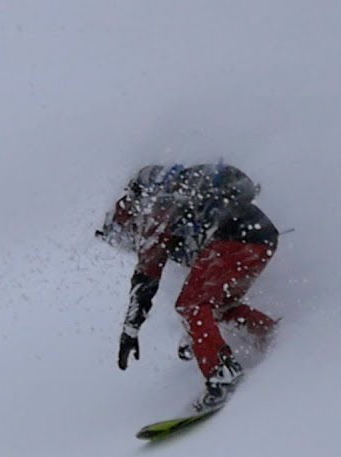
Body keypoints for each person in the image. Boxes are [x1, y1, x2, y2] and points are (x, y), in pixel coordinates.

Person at [96, 162, 278, 410]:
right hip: (262, 237)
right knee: (218, 306)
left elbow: (147, 277)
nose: (130, 245)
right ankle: (271, 336)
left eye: (124, 237)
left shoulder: (153, 213)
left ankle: (222, 375)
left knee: (191, 305)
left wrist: (131, 329)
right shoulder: (176, 196)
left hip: (235, 240)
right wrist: (195, 338)